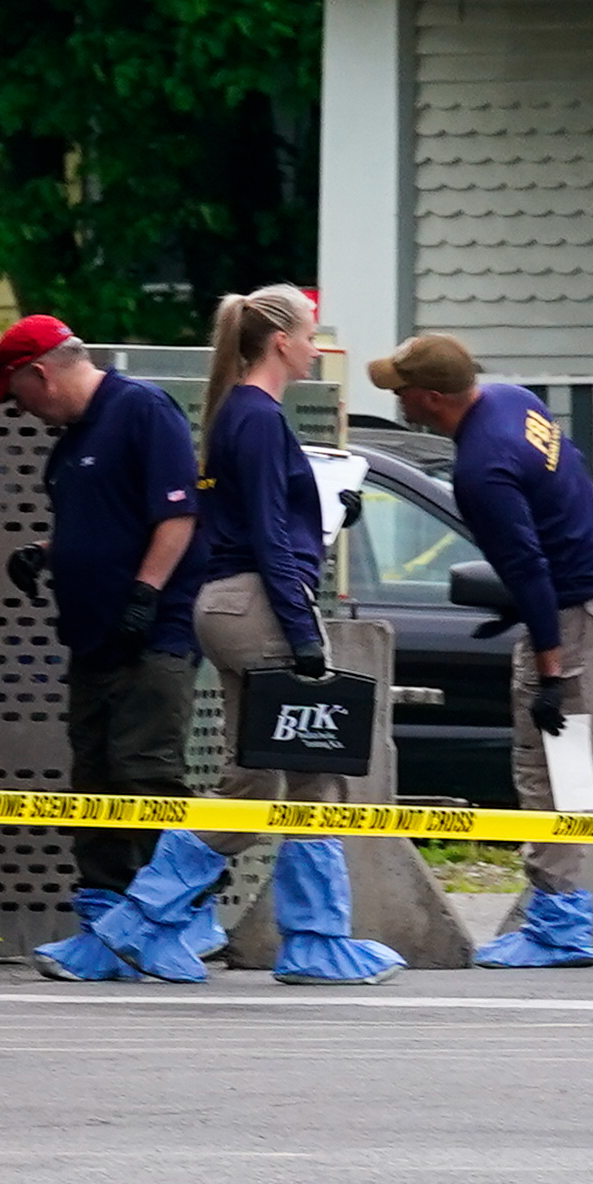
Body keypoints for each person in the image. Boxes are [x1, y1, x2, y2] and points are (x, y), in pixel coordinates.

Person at [370, 332, 593, 969]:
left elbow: (530, 569)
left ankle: (559, 926)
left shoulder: (481, 466)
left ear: (429, 398)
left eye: (400, 390)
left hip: (572, 617)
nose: (396, 398)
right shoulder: (514, 401)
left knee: (553, 769)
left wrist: (550, 673)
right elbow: (571, 493)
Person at [172, 285, 401, 982]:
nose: (314, 346)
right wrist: (303, 633)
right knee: (315, 771)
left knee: (248, 781)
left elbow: (260, 523)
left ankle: (139, 921)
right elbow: (270, 536)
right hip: (263, 608)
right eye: (309, 335)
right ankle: (317, 940)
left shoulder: (233, 414)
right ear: (280, 342)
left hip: (225, 607)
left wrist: (326, 518)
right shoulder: (262, 419)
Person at [0, 316, 210, 983]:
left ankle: (164, 923)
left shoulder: (142, 411)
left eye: (17, 392)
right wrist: (43, 552)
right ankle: (104, 923)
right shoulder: (73, 439)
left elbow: (176, 513)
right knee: (95, 781)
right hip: (91, 640)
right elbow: (99, 524)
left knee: (144, 773)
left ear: (40, 373)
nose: (20, 408)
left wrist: (146, 591)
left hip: (149, 639)